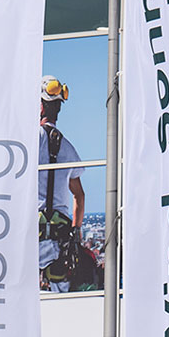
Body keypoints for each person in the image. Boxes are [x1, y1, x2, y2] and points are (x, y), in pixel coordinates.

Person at [37, 75, 98, 291]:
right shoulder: (68, 148)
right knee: (60, 296)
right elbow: (79, 196)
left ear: (40, 107)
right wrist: (76, 231)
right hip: (59, 240)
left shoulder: (28, 142)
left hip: (31, 234)